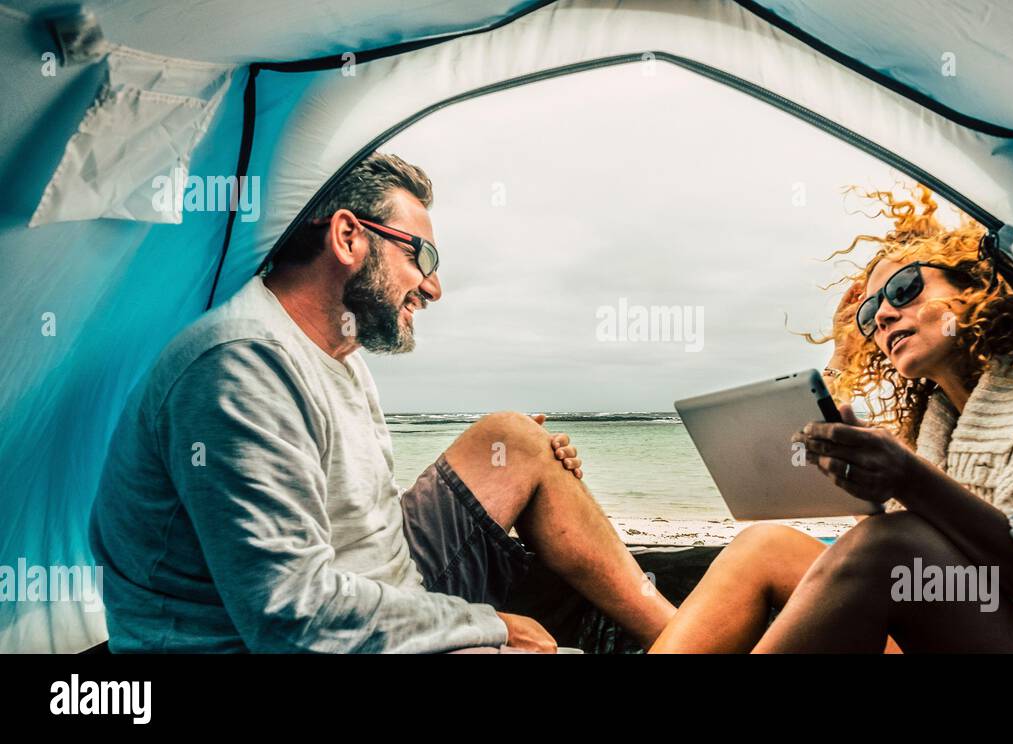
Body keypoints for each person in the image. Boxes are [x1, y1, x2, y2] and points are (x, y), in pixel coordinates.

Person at [90, 151, 675, 653]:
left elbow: (351, 512)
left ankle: (681, 638)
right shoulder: (239, 368)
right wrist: (485, 625)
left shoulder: (339, 350)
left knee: (514, 439)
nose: (433, 286)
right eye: (422, 257)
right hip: (272, 639)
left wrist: (540, 470)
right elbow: (290, 618)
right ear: (348, 237)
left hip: (386, 582)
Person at [650, 186, 1013, 653]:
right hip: (966, 621)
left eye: (903, 290)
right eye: (870, 312)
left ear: (973, 286)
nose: (881, 315)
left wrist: (908, 479)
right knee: (763, 544)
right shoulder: (936, 424)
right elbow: (888, 563)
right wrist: (860, 467)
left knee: (893, 549)